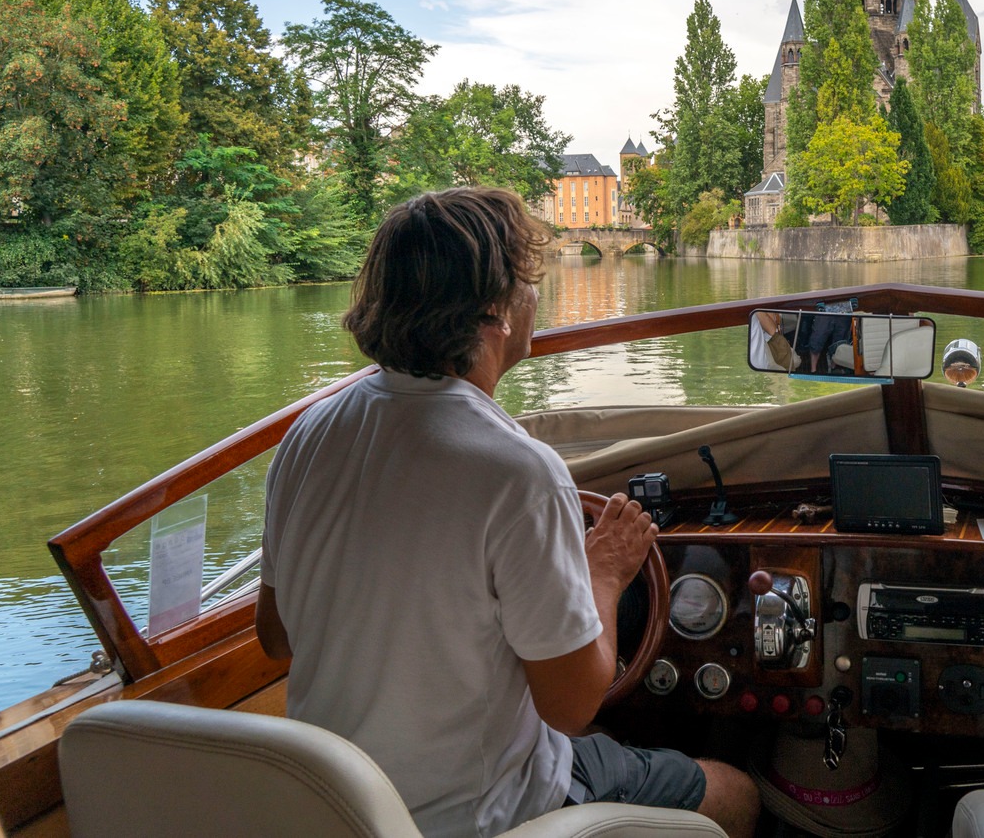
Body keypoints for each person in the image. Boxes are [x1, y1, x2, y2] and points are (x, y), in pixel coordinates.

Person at [255, 188, 759, 838]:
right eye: (529, 281)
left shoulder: (308, 434)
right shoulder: (519, 471)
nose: (536, 296)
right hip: (479, 815)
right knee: (736, 793)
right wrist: (602, 573)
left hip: (334, 809)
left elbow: (276, 637)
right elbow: (572, 706)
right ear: (497, 308)